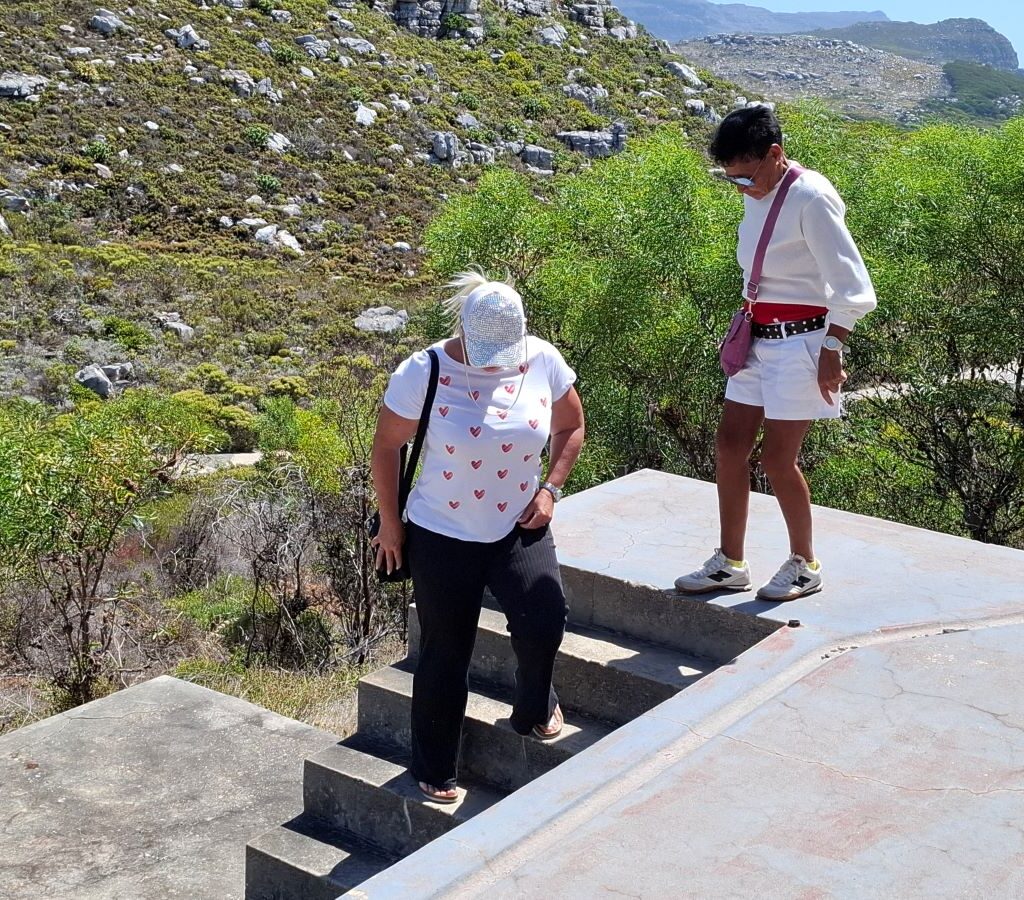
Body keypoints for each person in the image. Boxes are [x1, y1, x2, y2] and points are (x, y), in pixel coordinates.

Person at [370, 270, 586, 803]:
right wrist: (391, 524)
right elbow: (385, 447)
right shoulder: (425, 370)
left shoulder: (542, 360)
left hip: (519, 524)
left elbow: (571, 426)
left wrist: (551, 490)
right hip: (441, 533)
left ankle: (535, 705)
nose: (495, 357)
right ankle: (436, 765)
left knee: (544, 621)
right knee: (446, 651)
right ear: (462, 328)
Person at [675, 106, 876, 601]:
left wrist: (833, 346)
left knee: (778, 459)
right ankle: (730, 562)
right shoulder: (757, 191)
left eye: (746, 176)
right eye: (732, 181)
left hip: (803, 342)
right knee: (729, 446)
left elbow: (854, 286)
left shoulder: (812, 196)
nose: (742, 189)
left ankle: (805, 564)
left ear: (775, 154)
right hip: (757, 338)